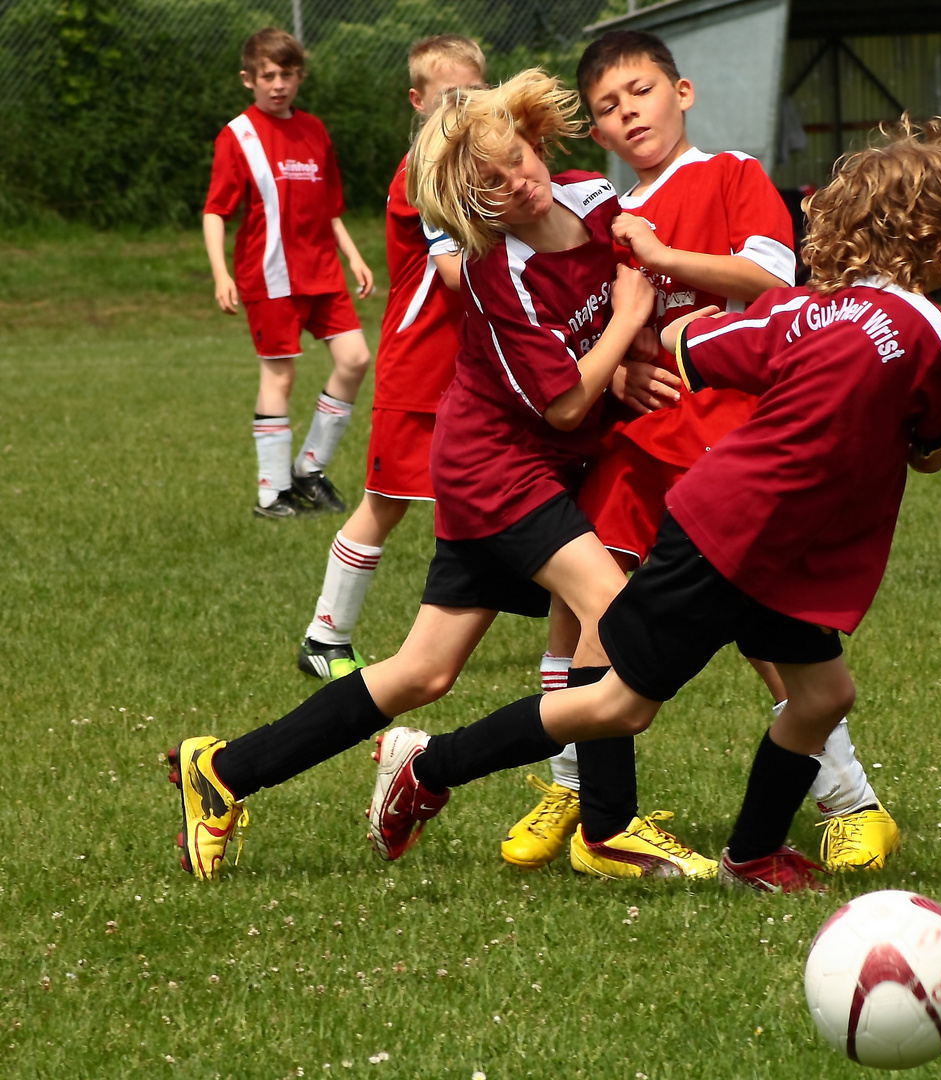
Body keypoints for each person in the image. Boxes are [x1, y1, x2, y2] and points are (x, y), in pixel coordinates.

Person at [367, 115, 941, 894]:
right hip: (730, 541)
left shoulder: (804, 313)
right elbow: (930, 453)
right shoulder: (938, 333)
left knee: (824, 693)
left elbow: (694, 342)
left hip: (752, 534)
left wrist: (651, 357)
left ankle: (752, 855)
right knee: (619, 705)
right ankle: (431, 765)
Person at [168, 73, 717, 883]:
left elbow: (603, 337)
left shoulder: (598, 200)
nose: (518, 185)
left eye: (521, 161)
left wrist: (631, 360)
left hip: (524, 465)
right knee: (615, 609)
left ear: (537, 139)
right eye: (490, 185)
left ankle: (221, 772)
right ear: (468, 205)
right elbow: (565, 402)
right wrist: (631, 329)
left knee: (423, 671)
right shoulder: (501, 271)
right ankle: (607, 829)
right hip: (500, 471)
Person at [499, 29, 903, 878]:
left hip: (731, 444)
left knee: (770, 636)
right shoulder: (604, 216)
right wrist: (616, 382)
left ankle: (851, 802)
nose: (627, 111)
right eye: (608, 107)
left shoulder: (733, 177)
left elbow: (776, 286)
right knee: (587, 612)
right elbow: (601, 332)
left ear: (681, 93)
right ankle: (575, 792)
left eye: (640, 91)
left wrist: (666, 256)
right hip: (639, 449)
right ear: (599, 135)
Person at [295, 35, 487, 681]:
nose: (465, 110)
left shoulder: (473, 166)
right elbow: (460, 271)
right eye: (450, 98)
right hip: (420, 370)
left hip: (471, 371)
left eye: (477, 95)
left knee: (499, 492)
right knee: (386, 501)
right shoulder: (423, 171)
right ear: (418, 100)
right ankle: (326, 635)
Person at [204, 27, 376, 519]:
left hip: (322, 272)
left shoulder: (315, 130)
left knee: (356, 359)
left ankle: (309, 469)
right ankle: (271, 495)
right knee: (279, 375)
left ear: (300, 76)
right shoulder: (237, 135)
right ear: (248, 79)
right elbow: (216, 210)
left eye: (287, 74)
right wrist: (221, 273)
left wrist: (353, 256)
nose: (278, 84)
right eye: (267, 75)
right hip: (270, 275)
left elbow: (330, 209)